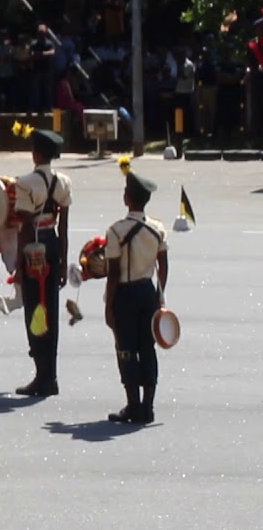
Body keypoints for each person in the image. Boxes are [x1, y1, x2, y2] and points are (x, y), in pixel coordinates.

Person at [104, 173, 169, 425]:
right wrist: (160, 293)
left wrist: (109, 306)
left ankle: (133, 405)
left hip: (125, 295)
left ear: (128, 198)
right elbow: (163, 265)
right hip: (148, 293)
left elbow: (113, 274)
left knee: (126, 350)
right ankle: (148, 406)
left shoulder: (116, 231)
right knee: (147, 349)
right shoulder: (158, 229)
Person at [13, 129, 72, 397]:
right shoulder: (63, 182)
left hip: (33, 248)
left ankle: (42, 376)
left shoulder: (25, 183)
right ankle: (53, 374)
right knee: (50, 310)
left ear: (36, 154)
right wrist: (62, 262)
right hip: (52, 245)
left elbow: (25, 225)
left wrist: (18, 261)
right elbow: (64, 224)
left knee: (34, 310)